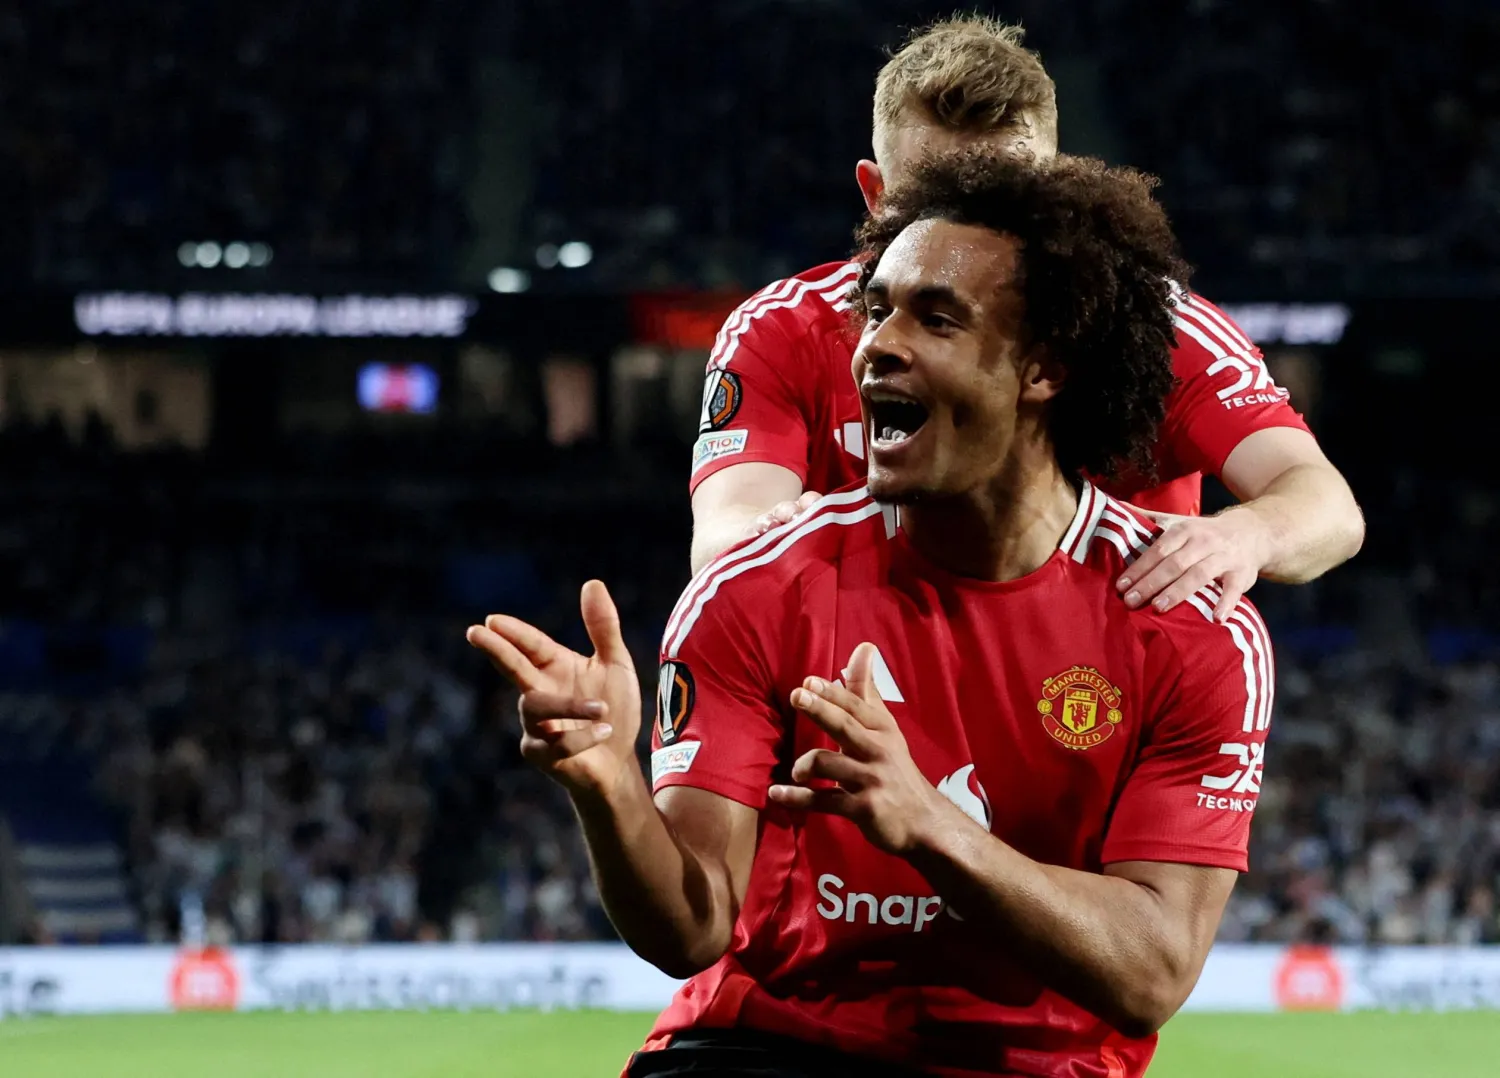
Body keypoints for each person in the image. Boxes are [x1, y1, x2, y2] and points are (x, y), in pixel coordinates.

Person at [468, 151, 1275, 1078]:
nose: (875, 345)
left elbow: (1152, 972)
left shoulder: (1189, 626)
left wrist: (929, 822)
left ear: (1044, 368)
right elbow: (690, 930)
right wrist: (609, 786)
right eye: (877, 309)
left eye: (936, 318)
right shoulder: (758, 586)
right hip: (769, 1047)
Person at [688, 16, 1363, 623]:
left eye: (1007, 202)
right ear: (876, 196)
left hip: (1100, 700)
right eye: (934, 202)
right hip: (870, 686)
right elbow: (728, 531)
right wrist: (769, 539)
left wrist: (1246, 534)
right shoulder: (784, 330)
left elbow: (1324, 505)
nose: (970, 236)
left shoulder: (1160, 330)